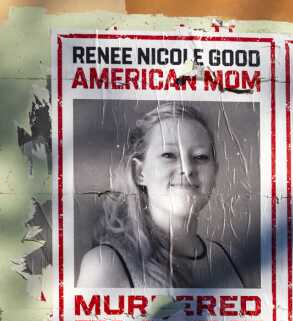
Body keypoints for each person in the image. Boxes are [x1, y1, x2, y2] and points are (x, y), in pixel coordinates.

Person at [78, 102, 249, 289]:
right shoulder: (105, 265)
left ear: (215, 172)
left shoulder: (227, 257)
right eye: (169, 155)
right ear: (139, 173)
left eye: (200, 157)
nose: (187, 169)